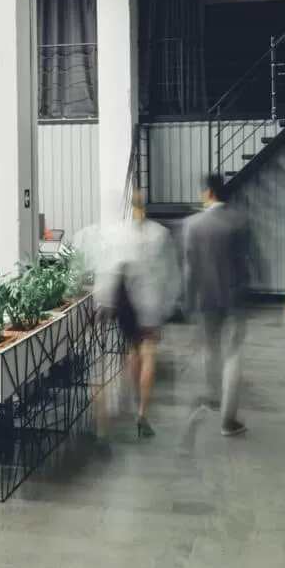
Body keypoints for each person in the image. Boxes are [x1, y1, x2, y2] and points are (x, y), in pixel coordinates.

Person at [93, 192, 178, 438]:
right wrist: (169, 303)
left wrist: (104, 302)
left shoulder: (117, 235)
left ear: (130, 208)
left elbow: (108, 271)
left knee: (132, 349)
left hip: (126, 304)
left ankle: (132, 401)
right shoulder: (160, 234)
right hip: (151, 303)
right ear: (147, 208)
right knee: (148, 351)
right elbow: (170, 273)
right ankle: (142, 412)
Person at [181, 174, 251, 438]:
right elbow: (248, 262)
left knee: (210, 351)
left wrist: (188, 300)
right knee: (233, 356)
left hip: (206, 300)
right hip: (234, 300)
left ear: (208, 193)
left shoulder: (193, 225)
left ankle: (212, 397)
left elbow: (190, 269)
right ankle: (228, 421)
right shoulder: (238, 221)